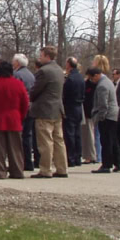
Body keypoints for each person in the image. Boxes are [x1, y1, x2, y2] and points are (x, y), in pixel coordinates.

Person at [29, 46, 69, 179]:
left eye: (41, 55)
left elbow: (35, 91)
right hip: (57, 109)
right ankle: (62, 168)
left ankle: (45, 169)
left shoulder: (44, 71)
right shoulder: (59, 70)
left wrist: (30, 97)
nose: (39, 57)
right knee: (59, 140)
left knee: (45, 141)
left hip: (44, 110)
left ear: (47, 56)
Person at [89, 67, 120, 173]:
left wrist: (100, 117)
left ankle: (106, 165)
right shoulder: (108, 82)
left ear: (96, 75)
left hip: (107, 116)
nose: (92, 81)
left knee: (106, 141)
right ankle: (118, 162)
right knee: (114, 140)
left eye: (92, 78)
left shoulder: (102, 85)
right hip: (113, 115)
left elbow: (103, 104)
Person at [13, 53, 39, 171]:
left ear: (17, 63)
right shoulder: (31, 75)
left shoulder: (17, 75)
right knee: (28, 136)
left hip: (21, 108)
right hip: (31, 108)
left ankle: (21, 161)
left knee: (19, 136)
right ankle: (28, 161)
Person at [62, 57, 85, 167]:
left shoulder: (70, 78)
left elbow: (65, 94)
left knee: (69, 134)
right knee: (77, 133)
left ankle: (70, 157)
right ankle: (78, 157)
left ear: (68, 65)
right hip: (79, 107)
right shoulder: (80, 77)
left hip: (70, 107)